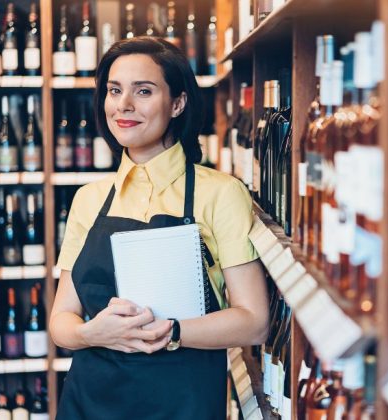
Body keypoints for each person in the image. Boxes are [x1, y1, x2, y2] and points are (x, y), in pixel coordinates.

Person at [49, 37, 269, 419]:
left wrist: (171, 331)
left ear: (178, 103)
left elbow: (254, 321)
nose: (124, 105)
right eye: (114, 90)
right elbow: (61, 320)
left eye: (143, 91)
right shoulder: (89, 198)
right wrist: (92, 333)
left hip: (182, 404)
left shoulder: (219, 193)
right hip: (90, 401)